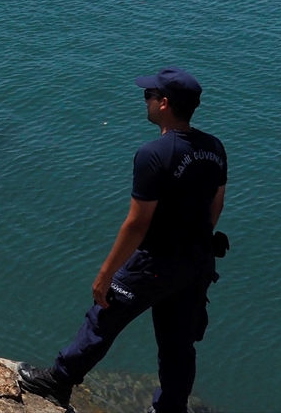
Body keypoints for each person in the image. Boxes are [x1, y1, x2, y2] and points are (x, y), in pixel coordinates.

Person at [18, 67, 227, 413]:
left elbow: (136, 224)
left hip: (155, 262)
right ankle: (171, 409)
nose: (144, 100)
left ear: (164, 104)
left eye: (148, 95)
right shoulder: (214, 148)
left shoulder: (154, 154)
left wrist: (107, 273)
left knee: (103, 318)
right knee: (178, 344)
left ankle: (59, 382)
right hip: (198, 261)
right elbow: (215, 208)